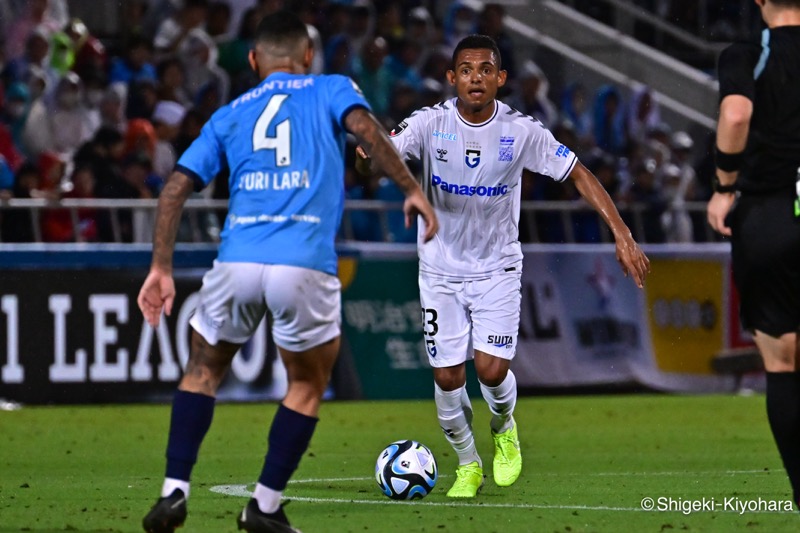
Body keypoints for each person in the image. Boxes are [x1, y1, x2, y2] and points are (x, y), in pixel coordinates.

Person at [137, 11, 437, 533]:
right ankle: (265, 505)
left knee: (202, 370)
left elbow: (175, 187)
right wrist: (411, 188)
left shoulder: (229, 113)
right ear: (307, 56)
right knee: (306, 383)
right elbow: (365, 129)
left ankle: (173, 490)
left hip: (236, 260)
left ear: (254, 60)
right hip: (302, 263)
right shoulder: (331, 88)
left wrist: (160, 267)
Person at [357, 34, 650, 498]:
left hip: (497, 268)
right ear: (451, 78)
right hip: (439, 270)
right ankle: (468, 464)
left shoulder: (521, 131)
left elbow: (578, 173)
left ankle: (504, 425)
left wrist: (622, 232)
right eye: (466, 70)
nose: (476, 78)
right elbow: (378, 158)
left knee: (491, 371)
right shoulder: (429, 124)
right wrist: (368, 157)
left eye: (485, 70)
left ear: (500, 78)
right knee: (447, 377)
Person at [706, 0, 800, 508]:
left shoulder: (748, 53)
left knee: (782, 361)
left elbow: (736, 113)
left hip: (771, 214)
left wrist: (724, 185)